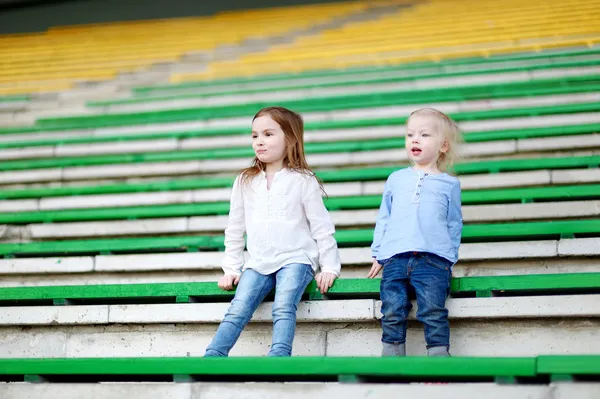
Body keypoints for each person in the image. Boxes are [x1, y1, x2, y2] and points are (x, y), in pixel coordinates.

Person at [204, 106, 341, 357]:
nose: (259, 141)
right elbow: (235, 228)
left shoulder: (303, 180)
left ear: (290, 139)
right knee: (239, 307)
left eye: (268, 134)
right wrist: (232, 268)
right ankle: (214, 355)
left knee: (284, 305)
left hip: (296, 259)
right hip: (258, 263)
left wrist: (329, 266)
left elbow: (321, 226)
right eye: (255, 135)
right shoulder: (245, 180)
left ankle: (279, 355)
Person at [367, 108, 463, 357]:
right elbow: (384, 217)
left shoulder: (449, 184)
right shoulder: (396, 179)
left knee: (432, 310)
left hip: (433, 259)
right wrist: (378, 253)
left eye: (424, 135)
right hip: (395, 258)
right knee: (392, 308)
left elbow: (454, 223)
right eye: (410, 134)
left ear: (443, 146)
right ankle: (392, 357)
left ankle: (439, 359)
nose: (415, 140)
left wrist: (449, 256)